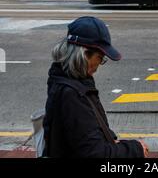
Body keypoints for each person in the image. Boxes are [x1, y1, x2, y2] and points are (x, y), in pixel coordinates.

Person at [43, 16, 149, 158]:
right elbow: (94, 153)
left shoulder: (67, 79)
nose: (99, 65)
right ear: (84, 54)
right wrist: (135, 149)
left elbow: (87, 134)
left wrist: (112, 140)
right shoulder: (73, 94)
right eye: (100, 57)